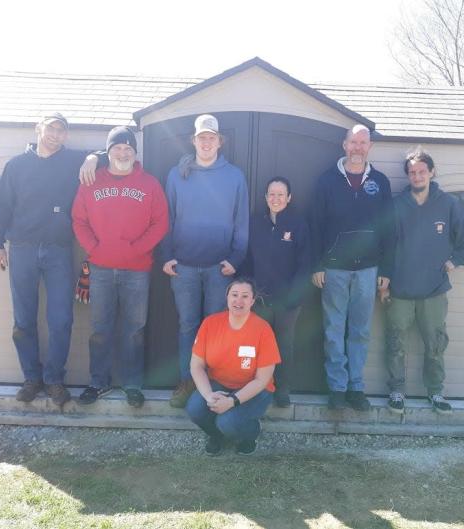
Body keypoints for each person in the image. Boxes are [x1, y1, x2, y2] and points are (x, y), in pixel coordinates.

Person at [0, 113, 98, 406]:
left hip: (58, 250)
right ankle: (31, 378)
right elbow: (2, 208)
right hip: (22, 249)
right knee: (23, 319)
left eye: (61, 131)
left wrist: (92, 159)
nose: (55, 135)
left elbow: (105, 151)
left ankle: (53, 380)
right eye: (51, 128)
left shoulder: (72, 160)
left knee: (61, 319)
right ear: (38, 129)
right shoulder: (16, 166)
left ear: (66, 136)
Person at [71, 126, 168, 407]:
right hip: (100, 268)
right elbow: (79, 220)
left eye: (128, 149)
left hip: (138, 270)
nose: (123, 153)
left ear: (135, 153)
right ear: (108, 151)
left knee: (134, 329)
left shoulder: (149, 184)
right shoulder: (91, 180)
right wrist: (94, 248)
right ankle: (98, 382)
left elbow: (160, 223)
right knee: (100, 328)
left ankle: (132, 385)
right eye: (117, 148)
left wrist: (136, 249)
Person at [382, 148, 464, 415]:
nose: (417, 176)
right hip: (400, 289)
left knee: (436, 343)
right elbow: (383, 244)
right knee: (395, 343)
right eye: (412, 172)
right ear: (408, 176)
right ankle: (397, 391)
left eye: (421, 171)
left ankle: (435, 392)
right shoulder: (396, 205)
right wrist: (384, 279)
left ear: (431, 172)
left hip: (434, 290)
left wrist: (454, 260)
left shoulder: (447, 204)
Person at [161, 114, 249, 408]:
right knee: (187, 326)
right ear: (194, 140)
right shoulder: (178, 174)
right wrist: (167, 256)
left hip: (219, 267)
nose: (207, 142)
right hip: (183, 266)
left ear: (219, 141)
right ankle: (187, 383)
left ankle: (212, 386)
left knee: (214, 328)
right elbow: (167, 218)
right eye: (202, 137)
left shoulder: (234, 175)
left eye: (212, 137)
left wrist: (236, 258)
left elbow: (241, 221)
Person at [310, 124, 395, 410]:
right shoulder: (327, 181)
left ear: (369, 146)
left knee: (360, 331)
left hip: (368, 270)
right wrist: (318, 264)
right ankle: (336, 388)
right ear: (344, 145)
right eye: (353, 142)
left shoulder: (380, 182)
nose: (358, 147)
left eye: (363, 142)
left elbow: (389, 229)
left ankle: (355, 388)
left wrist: (386, 270)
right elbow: (315, 226)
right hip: (334, 269)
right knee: (334, 330)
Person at [185, 278, 280, 455]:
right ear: (227, 297)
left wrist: (232, 401)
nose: (239, 301)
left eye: (245, 296)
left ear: (252, 301)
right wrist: (208, 396)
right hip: (219, 383)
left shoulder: (262, 329)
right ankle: (216, 435)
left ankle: (250, 433)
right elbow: (196, 366)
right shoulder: (210, 324)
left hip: (254, 389)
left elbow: (262, 380)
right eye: (234, 295)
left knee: (227, 422)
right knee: (195, 409)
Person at [243, 177, 311, 407]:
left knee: (283, 345)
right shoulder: (255, 223)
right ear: (265, 197)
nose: (276, 199)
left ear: (289, 198)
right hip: (260, 298)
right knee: (256, 345)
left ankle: (282, 389)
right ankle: (256, 388)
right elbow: (247, 259)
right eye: (271, 194)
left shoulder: (298, 225)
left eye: (281, 194)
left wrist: (295, 295)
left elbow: (305, 264)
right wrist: (248, 291)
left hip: (287, 301)